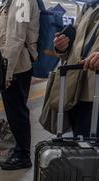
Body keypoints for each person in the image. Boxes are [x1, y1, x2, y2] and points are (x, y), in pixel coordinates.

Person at [0, 0, 40, 170]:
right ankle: (20, 149)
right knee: (14, 111)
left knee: (17, 111)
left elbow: (16, 37)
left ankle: (22, 154)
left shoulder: (22, 2)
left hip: (17, 67)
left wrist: (7, 72)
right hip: (14, 66)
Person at [51, 1, 99, 137]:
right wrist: (62, 46)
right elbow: (75, 46)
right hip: (78, 89)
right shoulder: (89, 6)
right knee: (82, 145)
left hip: (95, 91)